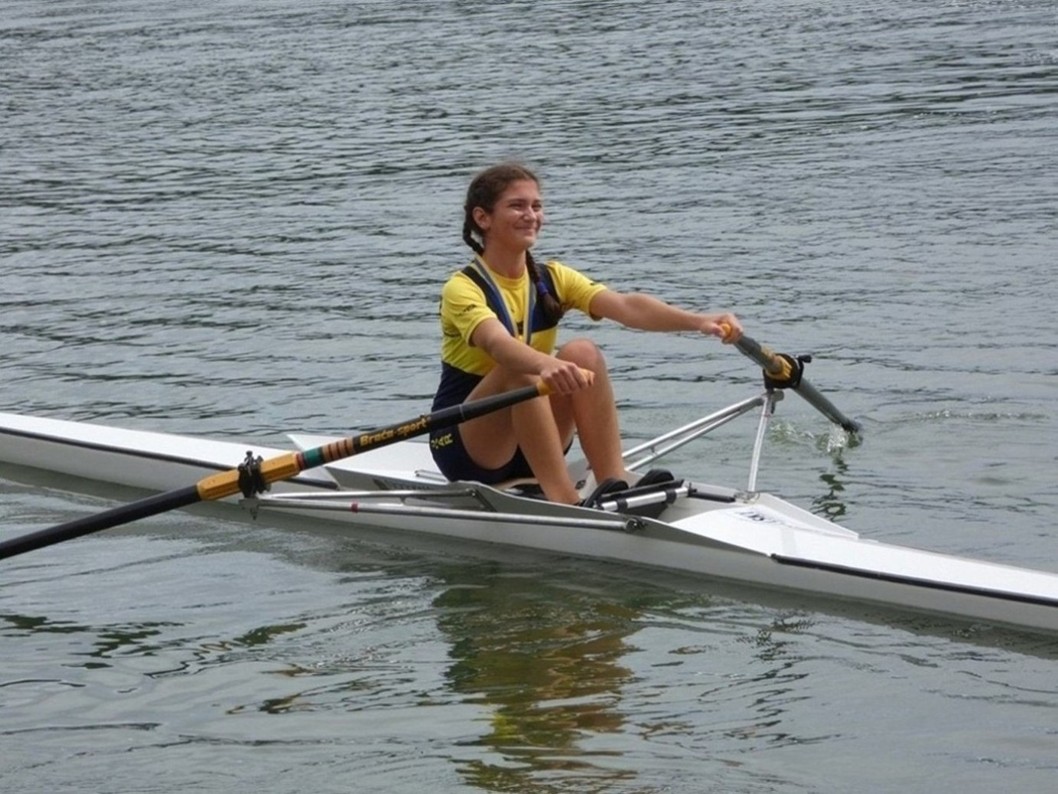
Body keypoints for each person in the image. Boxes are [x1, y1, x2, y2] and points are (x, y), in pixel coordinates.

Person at [429, 162, 743, 506]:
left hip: (534, 438)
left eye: (536, 206)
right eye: (517, 206)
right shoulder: (462, 288)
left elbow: (628, 307)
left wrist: (699, 321)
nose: (531, 215)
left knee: (583, 352)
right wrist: (545, 364)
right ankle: (566, 502)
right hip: (466, 446)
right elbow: (497, 344)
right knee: (521, 372)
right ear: (482, 218)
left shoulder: (552, 277)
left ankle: (615, 481)